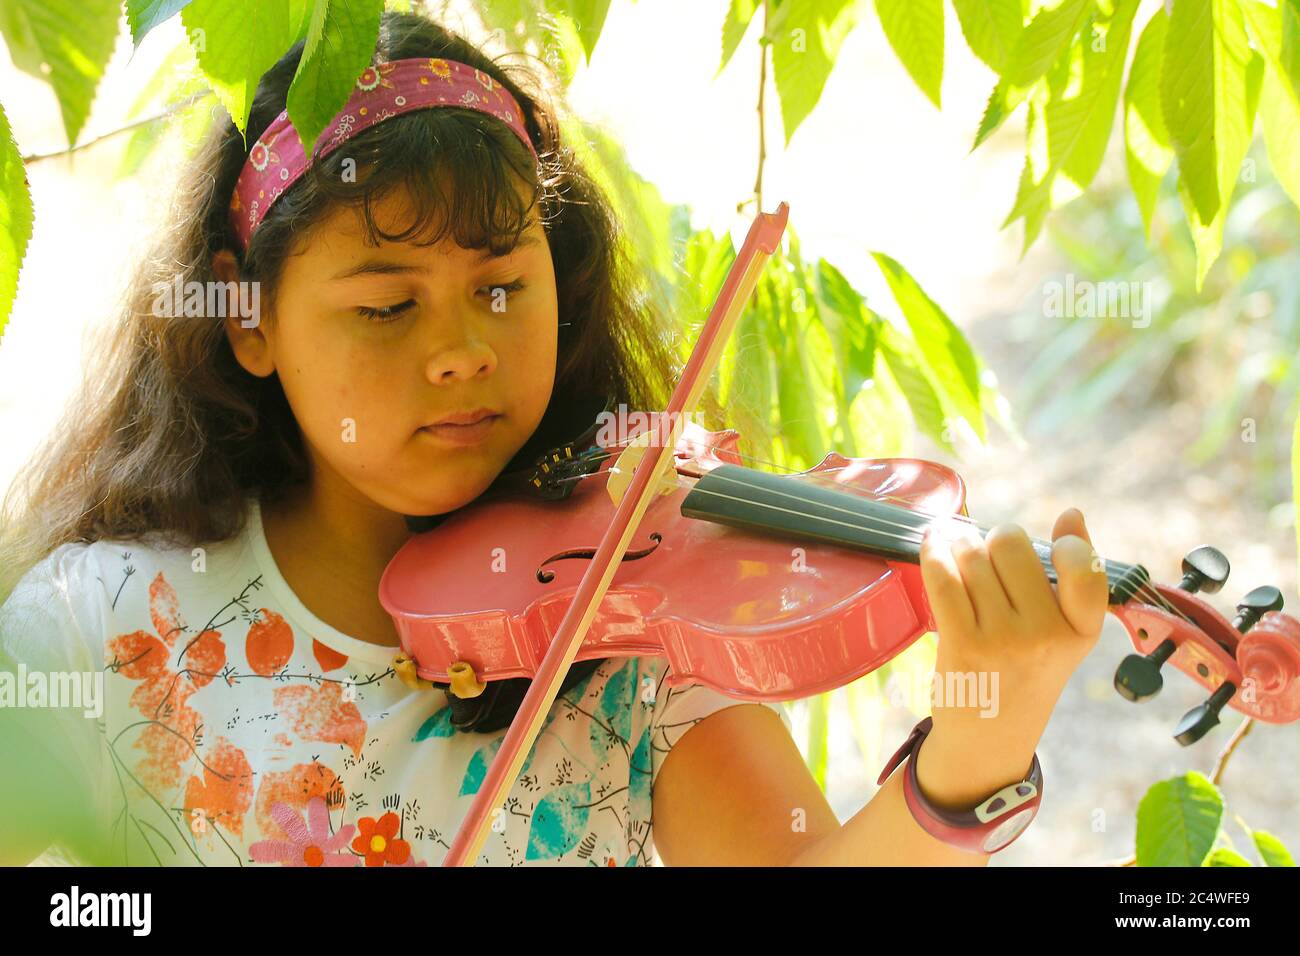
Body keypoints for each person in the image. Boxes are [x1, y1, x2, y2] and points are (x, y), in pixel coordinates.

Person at [0, 9, 1108, 867]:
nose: (460, 353)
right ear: (247, 318)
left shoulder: (628, 631)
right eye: (387, 306)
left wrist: (977, 745)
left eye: (501, 288)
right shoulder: (101, 628)